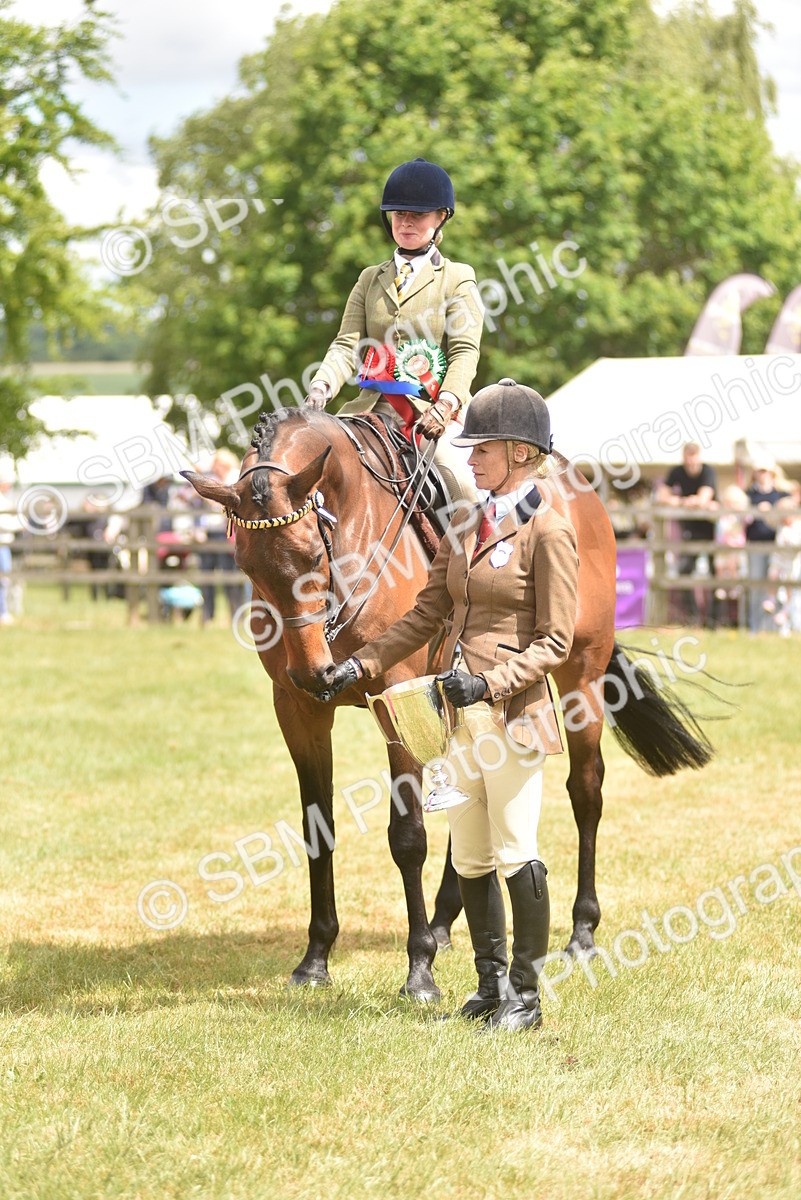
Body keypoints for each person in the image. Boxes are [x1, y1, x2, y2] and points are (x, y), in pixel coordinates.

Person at [318, 379, 579, 1033]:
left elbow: (555, 639)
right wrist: (362, 663)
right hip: (452, 714)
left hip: (512, 713)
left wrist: (488, 685)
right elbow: (425, 614)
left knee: (515, 847)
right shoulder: (465, 524)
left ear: (520, 453)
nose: (468, 460)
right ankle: (488, 986)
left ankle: (526, 997)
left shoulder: (547, 530)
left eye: (480, 449)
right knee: (467, 854)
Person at [304, 158, 484, 506]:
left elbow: (465, 351)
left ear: (441, 217)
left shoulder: (457, 277)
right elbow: (346, 346)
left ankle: (475, 556)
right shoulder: (370, 278)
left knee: (463, 488)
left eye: (417, 214)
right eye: (398, 213)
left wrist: (445, 404)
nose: (406, 221)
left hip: (430, 412)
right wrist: (320, 388)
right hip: (368, 407)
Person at [656, 443, 718, 626]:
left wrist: (687, 501)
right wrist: (685, 501)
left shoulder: (708, 471)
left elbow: (704, 497)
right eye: (688, 456)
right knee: (685, 572)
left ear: (699, 456)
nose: (690, 460)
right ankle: (692, 618)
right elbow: (662, 496)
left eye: (693, 456)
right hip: (690, 530)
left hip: (710, 530)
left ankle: (713, 620)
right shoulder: (677, 471)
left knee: (715, 575)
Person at [745, 460, 791, 632]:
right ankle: (755, 628)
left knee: (778, 587)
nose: (762, 474)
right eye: (759, 471)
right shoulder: (749, 494)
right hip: (755, 545)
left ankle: (777, 628)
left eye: (765, 471)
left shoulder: (781, 494)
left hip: (778, 548)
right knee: (757, 585)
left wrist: (771, 510)